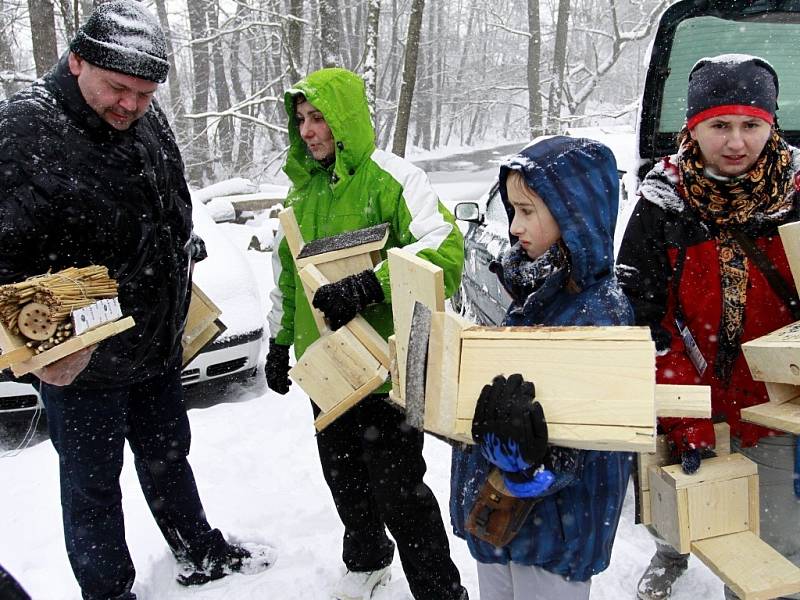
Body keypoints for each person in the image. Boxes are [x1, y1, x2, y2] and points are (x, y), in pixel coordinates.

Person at [0, 2, 275, 598]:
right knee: (93, 488)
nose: (131, 104)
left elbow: (170, 203)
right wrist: (39, 345)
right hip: (83, 360)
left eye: (145, 94)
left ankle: (198, 550)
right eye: (118, 88)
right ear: (76, 60)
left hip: (155, 341)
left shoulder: (143, 121)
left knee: (169, 457)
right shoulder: (24, 129)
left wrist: (184, 250)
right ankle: (109, 590)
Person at [265, 67, 468, 600]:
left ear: (345, 119)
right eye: (301, 121)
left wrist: (368, 285)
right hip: (327, 370)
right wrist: (279, 340)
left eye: (319, 118)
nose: (309, 131)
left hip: (389, 370)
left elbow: (443, 249)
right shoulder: (301, 195)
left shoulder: (393, 179)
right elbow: (289, 279)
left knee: (401, 491)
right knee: (345, 478)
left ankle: (439, 589)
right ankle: (366, 559)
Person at [617, 54, 800, 600]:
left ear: (772, 124)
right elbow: (641, 321)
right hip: (690, 386)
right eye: (720, 125)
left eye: (752, 124)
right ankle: (671, 549)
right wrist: (680, 410)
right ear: (692, 127)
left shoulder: (796, 197)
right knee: (681, 496)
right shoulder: (661, 205)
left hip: (774, 402)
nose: (737, 142)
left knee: (768, 553)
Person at [450, 136, 635, 600]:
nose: (514, 227)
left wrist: (529, 467)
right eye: (512, 210)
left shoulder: (598, 314)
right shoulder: (539, 289)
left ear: (574, 216)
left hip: (555, 537)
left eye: (528, 211)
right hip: (504, 521)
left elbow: (592, 442)